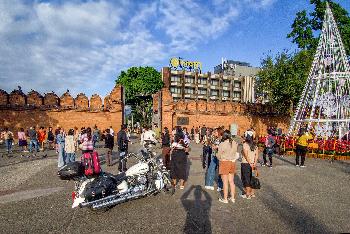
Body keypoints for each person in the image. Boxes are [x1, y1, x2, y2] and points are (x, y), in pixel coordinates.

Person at [217, 130, 238, 203]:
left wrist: (219, 157)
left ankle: (225, 199)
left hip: (225, 162)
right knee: (231, 181)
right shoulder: (234, 143)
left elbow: (218, 155)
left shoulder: (222, 144)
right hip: (232, 162)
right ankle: (232, 198)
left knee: (225, 182)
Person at [205, 127, 223, 191]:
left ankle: (220, 186)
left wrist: (217, 147)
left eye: (215, 132)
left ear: (219, 132)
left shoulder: (223, 139)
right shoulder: (215, 139)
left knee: (220, 172)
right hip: (214, 156)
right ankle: (209, 184)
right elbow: (211, 145)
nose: (214, 133)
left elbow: (223, 147)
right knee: (211, 169)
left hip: (221, 157)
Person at [241, 135, 259, 199]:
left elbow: (246, 155)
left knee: (246, 179)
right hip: (253, 164)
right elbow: (257, 155)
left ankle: (247, 194)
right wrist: (254, 163)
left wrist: (250, 163)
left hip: (246, 163)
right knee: (252, 178)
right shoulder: (255, 145)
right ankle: (252, 193)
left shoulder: (245, 145)